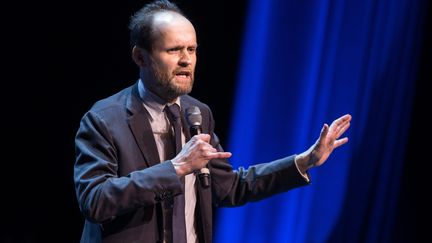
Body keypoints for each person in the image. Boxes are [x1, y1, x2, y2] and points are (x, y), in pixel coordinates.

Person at [73, 0, 352, 242]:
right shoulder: (104, 119)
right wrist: (176, 168)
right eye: (173, 50)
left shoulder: (197, 114)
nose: (186, 60)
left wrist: (304, 161)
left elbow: (230, 187)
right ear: (140, 57)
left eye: (192, 50)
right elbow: (95, 200)